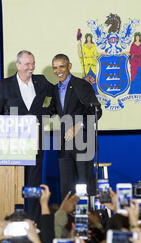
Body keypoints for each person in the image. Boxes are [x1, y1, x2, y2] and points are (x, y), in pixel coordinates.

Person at [0, 50, 54, 224]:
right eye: (27, 64)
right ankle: (13, 220)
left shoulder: (42, 82)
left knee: (33, 184)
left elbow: (56, 98)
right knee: (15, 184)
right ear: (18, 65)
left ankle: (33, 221)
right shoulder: (5, 85)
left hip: (37, 143)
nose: (31, 67)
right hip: (14, 145)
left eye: (33, 63)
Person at [50, 54, 102, 198]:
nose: (58, 70)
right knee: (66, 189)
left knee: (87, 186)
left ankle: (92, 219)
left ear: (69, 66)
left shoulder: (81, 85)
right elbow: (51, 111)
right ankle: (67, 220)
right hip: (64, 144)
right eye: (55, 68)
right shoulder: (55, 89)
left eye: (61, 66)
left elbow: (97, 112)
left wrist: (78, 125)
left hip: (83, 143)